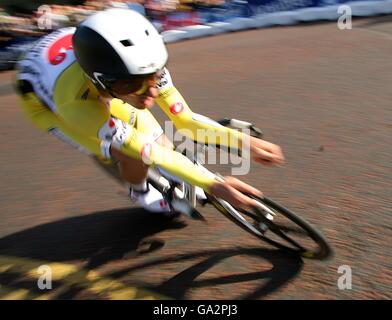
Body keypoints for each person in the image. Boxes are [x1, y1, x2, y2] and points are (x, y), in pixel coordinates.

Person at [15, 8, 284, 214]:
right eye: (133, 83)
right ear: (99, 79)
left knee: (159, 138)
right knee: (131, 154)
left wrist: (244, 142)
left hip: (94, 73)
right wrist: (213, 183)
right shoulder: (72, 102)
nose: (151, 93)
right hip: (46, 105)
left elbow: (186, 122)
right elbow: (145, 150)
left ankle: (171, 172)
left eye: (155, 77)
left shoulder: (141, 67)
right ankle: (140, 191)